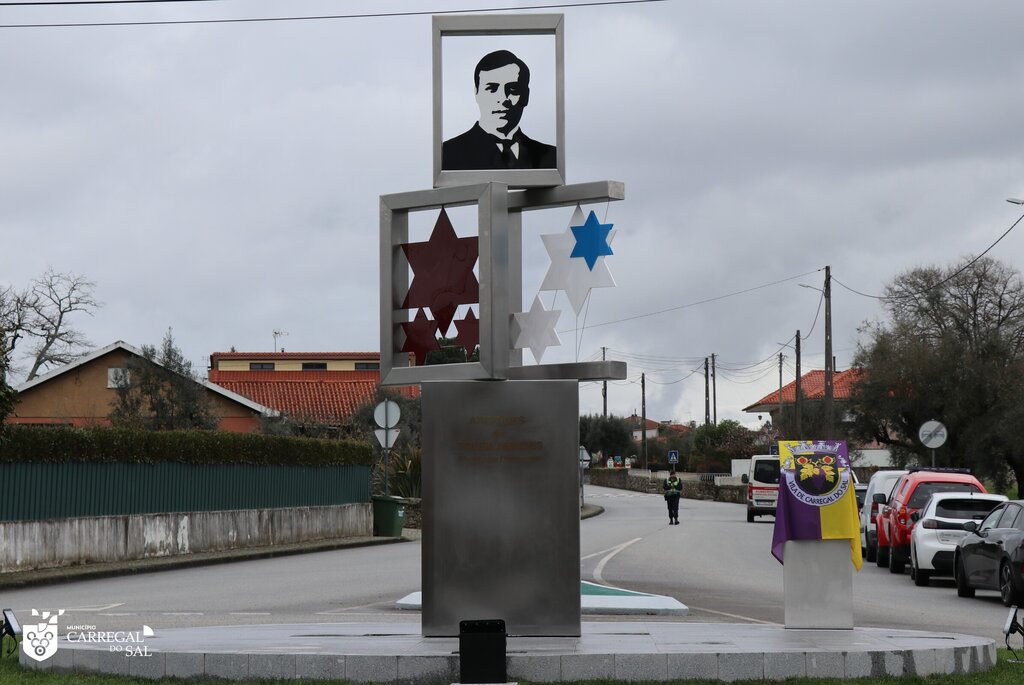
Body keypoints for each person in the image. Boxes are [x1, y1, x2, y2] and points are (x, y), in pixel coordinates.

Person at [442, 49, 557, 170]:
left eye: (512, 89)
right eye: (492, 89)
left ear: (526, 95)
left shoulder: (550, 158)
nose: (502, 98)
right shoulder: (448, 154)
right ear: (476, 93)